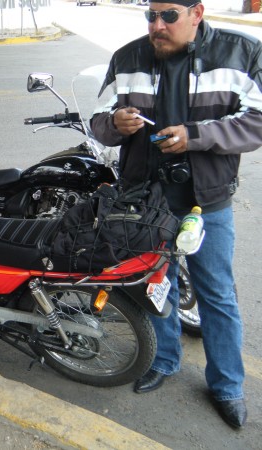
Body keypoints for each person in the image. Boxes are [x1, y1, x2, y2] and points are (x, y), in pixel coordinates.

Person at [89, 0, 262, 429]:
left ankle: (226, 386)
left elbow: (257, 121)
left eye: (169, 15)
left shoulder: (241, 53)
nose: (157, 25)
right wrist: (116, 122)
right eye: (151, 15)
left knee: (217, 294)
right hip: (142, 200)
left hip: (207, 201)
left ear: (197, 13)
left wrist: (196, 136)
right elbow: (97, 122)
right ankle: (163, 360)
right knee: (153, 285)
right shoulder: (127, 57)